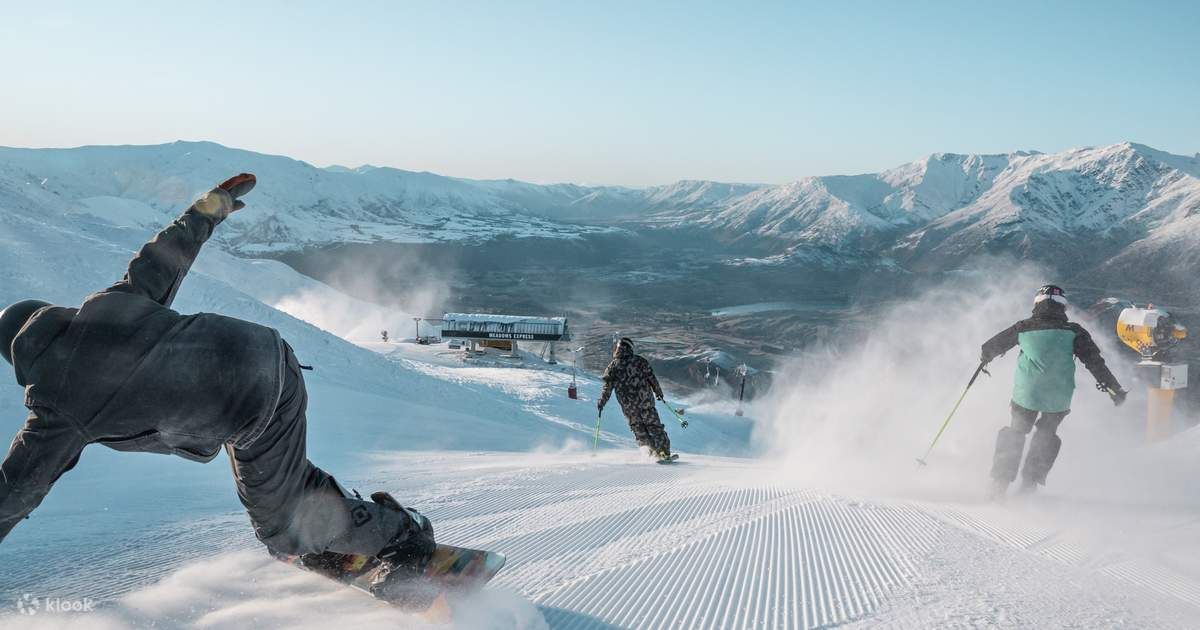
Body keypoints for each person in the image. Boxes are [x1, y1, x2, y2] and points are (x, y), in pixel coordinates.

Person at [0, 174, 434, 592]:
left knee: (280, 529)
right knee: (278, 480)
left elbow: (17, 489)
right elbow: (163, 254)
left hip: (249, 405)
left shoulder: (57, 405)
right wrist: (211, 206)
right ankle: (333, 528)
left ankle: (403, 536)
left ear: (17, 357)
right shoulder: (111, 304)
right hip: (270, 358)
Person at [980, 285, 1127, 498]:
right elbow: (1095, 363)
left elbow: (990, 347)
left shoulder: (1023, 327)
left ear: (1037, 304)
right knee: (1046, 435)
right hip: (1058, 397)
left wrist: (985, 358)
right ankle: (1029, 485)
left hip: (1026, 394)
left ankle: (999, 484)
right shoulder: (1074, 332)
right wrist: (1114, 389)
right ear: (1063, 307)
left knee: (1016, 431)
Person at [598, 337, 672, 459]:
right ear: (630, 348)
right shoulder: (640, 361)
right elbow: (651, 378)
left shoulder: (612, 367)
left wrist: (602, 402)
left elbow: (607, 388)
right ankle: (663, 451)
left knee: (638, 428)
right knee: (654, 426)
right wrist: (658, 392)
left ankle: (649, 452)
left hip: (628, 407)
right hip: (645, 402)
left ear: (617, 350)